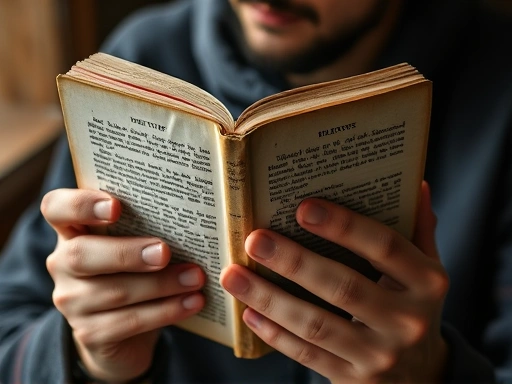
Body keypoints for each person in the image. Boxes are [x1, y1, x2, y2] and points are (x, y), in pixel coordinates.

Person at [0, 0, 511, 382]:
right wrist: (89, 358)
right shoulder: (138, 62)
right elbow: (11, 330)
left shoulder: (498, 91)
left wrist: (436, 375)